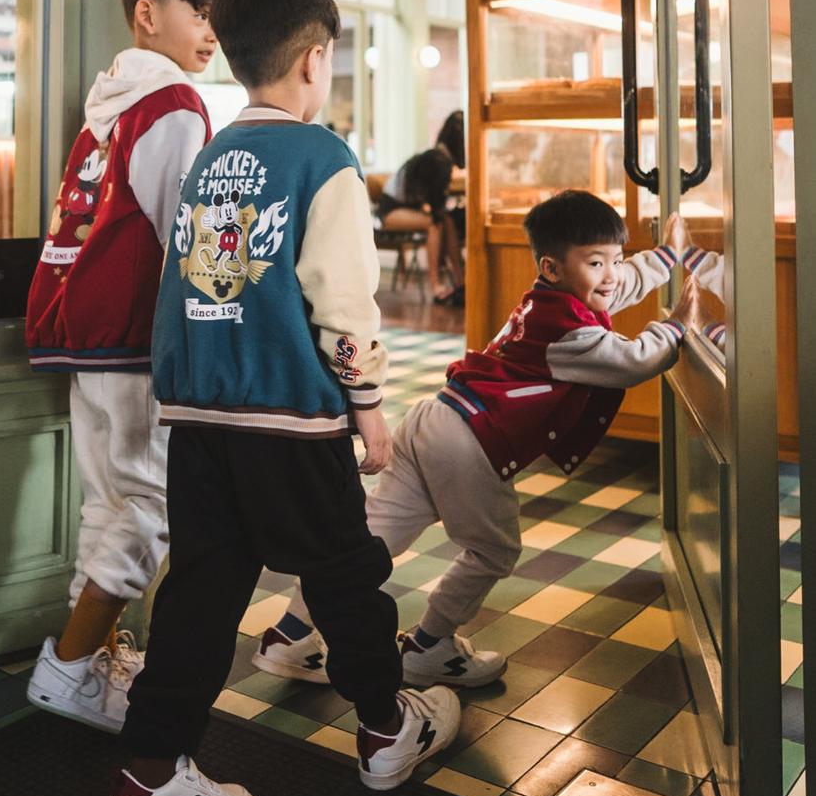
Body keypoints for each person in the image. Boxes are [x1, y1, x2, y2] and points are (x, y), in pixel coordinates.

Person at [103, 0, 460, 796]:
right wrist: (368, 406)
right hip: (290, 421)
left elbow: (183, 286)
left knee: (198, 594)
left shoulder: (211, 157)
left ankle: (148, 776)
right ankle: (386, 727)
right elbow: (344, 303)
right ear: (314, 59)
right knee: (344, 574)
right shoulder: (321, 158)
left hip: (200, 419)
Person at [255, 190, 698, 691]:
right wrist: (677, 327)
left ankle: (289, 635)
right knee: (493, 550)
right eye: (597, 263)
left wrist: (667, 255)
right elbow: (634, 360)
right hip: (469, 439)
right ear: (552, 268)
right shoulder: (571, 333)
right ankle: (429, 646)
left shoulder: (553, 299)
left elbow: (621, 285)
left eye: (616, 259)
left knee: (373, 538)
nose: (612, 274)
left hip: (432, 417)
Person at [24, 0, 228, 733]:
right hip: (139, 330)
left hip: (86, 325)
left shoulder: (109, 98)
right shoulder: (173, 101)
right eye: (199, 12)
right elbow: (187, 233)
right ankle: (71, 666)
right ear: (148, 14)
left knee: (108, 500)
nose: (211, 31)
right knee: (148, 502)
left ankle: (94, 661)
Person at [378, 109, 465, 304]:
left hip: (406, 208)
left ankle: (461, 282)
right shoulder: (438, 163)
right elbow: (434, 209)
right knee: (434, 224)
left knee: (447, 221)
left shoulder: (436, 158)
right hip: (389, 212)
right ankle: (436, 286)